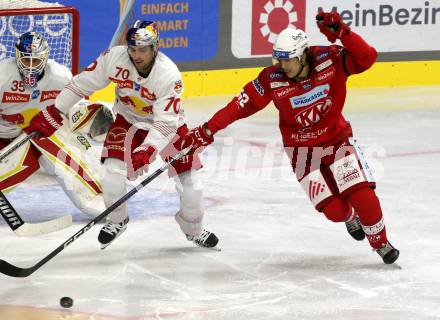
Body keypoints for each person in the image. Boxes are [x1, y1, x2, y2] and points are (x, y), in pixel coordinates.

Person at [182, 11, 399, 264]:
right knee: (335, 212)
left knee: (363, 196)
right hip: (302, 153)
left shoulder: (329, 59)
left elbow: (367, 58)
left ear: (302, 55)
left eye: (288, 61)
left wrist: (344, 34)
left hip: (337, 141)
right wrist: (208, 129)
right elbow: (239, 106)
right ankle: (350, 217)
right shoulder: (272, 78)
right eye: (278, 60)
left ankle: (381, 243)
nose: (282, 66)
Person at [54, 20, 219, 249]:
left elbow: (165, 122)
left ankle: (193, 229)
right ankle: (117, 220)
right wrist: (56, 109)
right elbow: (82, 84)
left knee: (191, 187)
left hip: (168, 128)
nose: (137, 55)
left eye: (143, 49)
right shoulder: (114, 58)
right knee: (112, 173)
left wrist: (148, 148)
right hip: (127, 120)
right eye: (132, 49)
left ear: (155, 47)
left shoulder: (168, 75)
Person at [0, 31, 109, 217]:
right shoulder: (3, 76)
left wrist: (95, 117)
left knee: (67, 155)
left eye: (36, 60)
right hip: (4, 136)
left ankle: (104, 204)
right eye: (27, 60)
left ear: (46, 57)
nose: (31, 67)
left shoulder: (60, 76)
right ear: (17, 57)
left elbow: (75, 110)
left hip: (40, 136)